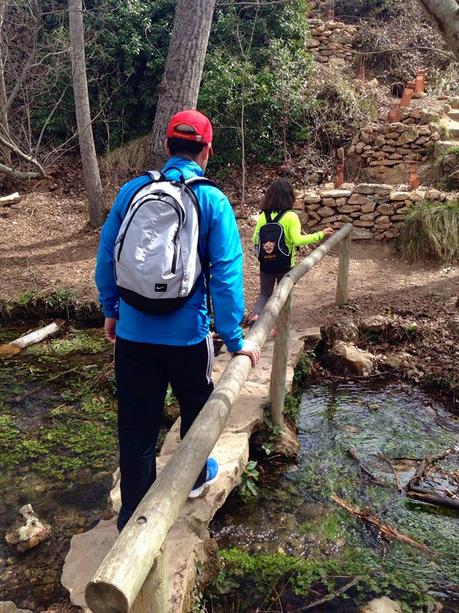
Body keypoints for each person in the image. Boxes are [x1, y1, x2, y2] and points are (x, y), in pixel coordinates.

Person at [95, 109, 260, 532]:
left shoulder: (133, 190)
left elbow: (107, 255)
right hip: (187, 338)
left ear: (167, 146)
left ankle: (133, 520)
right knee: (197, 412)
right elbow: (225, 273)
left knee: (136, 428)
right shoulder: (212, 200)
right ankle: (195, 478)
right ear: (207, 150)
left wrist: (111, 310)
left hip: (133, 335)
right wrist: (234, 337)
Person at [251, 178, 334, 322]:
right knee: (282, 296)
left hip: (266, 264)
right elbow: (297, 240)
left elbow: (255, 239)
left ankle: (257, 316)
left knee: (264, 294)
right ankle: (278, 329)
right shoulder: (291, 216)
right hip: (285, 264)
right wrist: (320, 234)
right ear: (290, 197)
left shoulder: (263, 215)